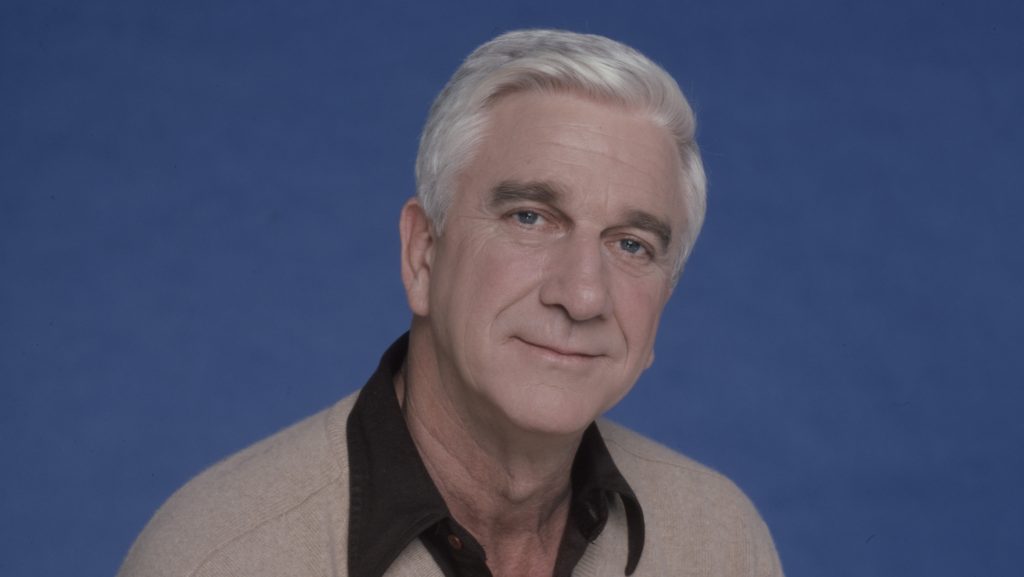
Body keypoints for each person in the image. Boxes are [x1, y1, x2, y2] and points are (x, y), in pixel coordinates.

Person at [117, 29, 784, 577]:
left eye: (632, 245)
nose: (583, 295)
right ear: (423, 254)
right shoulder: (216, 558)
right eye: (530, 217)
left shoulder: (722, 543)